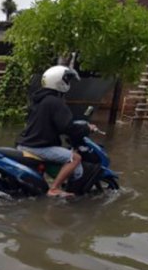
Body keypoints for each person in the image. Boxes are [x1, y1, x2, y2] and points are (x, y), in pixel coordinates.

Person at [15, 65, 96, 198]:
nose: (68, 83)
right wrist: (87, 128)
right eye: (67, 79)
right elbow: (67, 127)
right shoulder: (55, 102)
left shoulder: (38, 100)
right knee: (75, 158)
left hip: (25, 143)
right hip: (38, 147)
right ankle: (54, 188)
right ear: (59, 81)